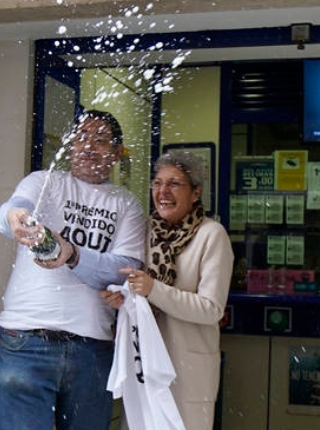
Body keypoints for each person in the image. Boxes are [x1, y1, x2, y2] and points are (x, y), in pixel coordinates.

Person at [0, 109, 146, 430]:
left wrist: (72, 254)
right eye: (82, 138)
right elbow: (12, 211)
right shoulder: (43, 182)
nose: (88, 146)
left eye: (100, 140)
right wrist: (12, 217)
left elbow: (125, 269)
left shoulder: (126, 204)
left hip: (92, 346)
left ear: (117, 153)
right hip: (25, 340)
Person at [102, 150, 234, 430]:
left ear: (196, 193)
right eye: (157, 183)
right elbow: (136, 290)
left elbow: (211, 309)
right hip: (144, 366)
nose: (163, 192)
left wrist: (153, 289)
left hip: (188, 371)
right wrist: (122, 298)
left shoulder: (212, 235)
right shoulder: (144, 231)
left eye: (174, 184)